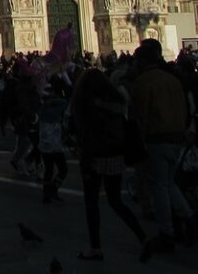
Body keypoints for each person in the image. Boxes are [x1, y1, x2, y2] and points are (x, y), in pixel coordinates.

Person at [67, 68, 150, 262]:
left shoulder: (85, 102)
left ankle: (95, 248)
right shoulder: (117, 101)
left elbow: (79, 129)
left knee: (91, 203)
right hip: (115, 156)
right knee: (115, 201)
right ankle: (143, 236)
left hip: (93, 156)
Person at [129, 39, 198, 253]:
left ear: (142, 61)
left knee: (159, 187)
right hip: (177, 138)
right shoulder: (173, 79)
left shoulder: (143, 82)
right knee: (168, 183)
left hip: (156, 139)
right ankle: (189, 217)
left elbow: (139, 114)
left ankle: (166, 232)